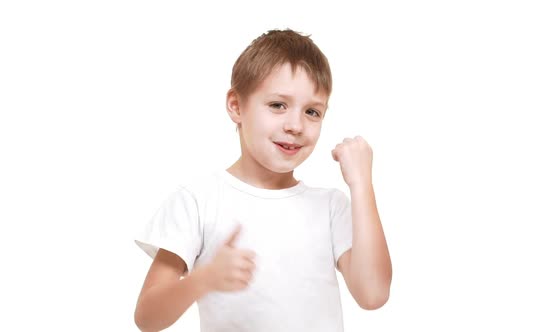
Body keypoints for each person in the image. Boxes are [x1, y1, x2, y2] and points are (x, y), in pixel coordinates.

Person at [134, 28, 392, 332]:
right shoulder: (198, 200)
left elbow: (373, 294)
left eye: (312, 111)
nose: (295, 125)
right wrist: (202, 280)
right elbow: (147, 318)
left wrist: (361, 184)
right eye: (277, 105)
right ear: (236, 106)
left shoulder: (330, 206)